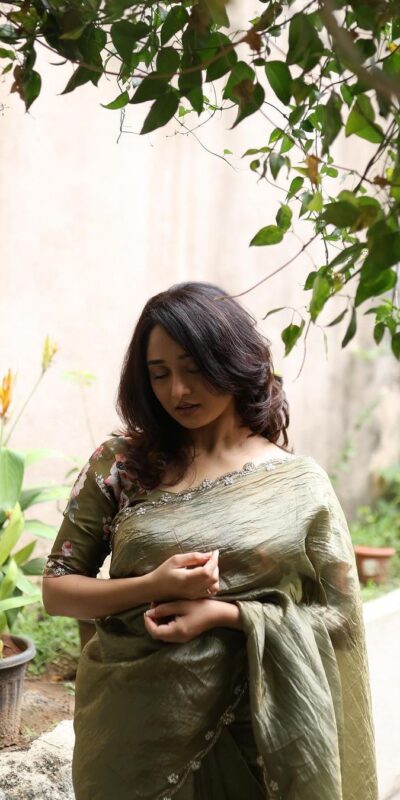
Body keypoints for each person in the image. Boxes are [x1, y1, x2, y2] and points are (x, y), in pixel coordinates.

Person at [42, 282, 378, 800]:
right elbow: (57, 590)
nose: (178, 390)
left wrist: (229, 615)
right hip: (131, 734)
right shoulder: (122, 465)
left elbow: (339, 618)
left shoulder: (299, 485)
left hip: (256, 738)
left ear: (233, 361)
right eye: (160, 374)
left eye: (194, 368)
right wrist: (151, 586)